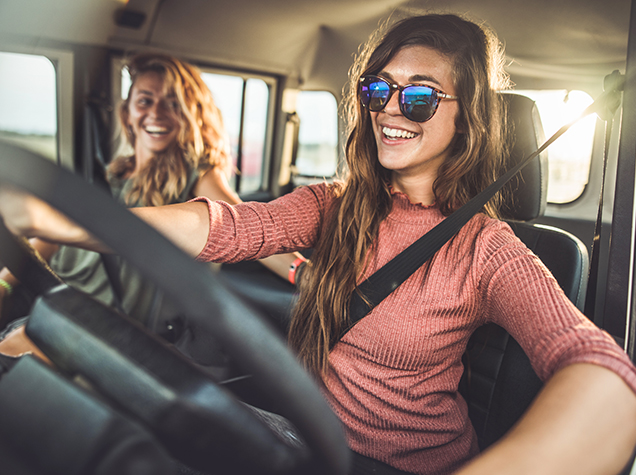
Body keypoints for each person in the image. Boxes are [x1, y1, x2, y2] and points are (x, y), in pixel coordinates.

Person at [1, 13, 636, 475]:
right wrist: (53, 213)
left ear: (465, 116)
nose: (390, 107)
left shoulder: (486, 248)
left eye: (419, 96)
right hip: (303, 435)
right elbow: (222, 226)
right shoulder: (335, 204)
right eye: (377, 87)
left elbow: (600, 368)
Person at [0, 53, 303, 339]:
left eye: (172, 104)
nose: (156, 114)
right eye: (145, 101)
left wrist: (303, 273)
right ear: (128, 113)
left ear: (189, 114)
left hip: (111, 329)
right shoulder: (108, 175)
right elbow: (50, 237)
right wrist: (5, 284)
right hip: (61, 303)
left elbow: (249, 228)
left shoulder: (196, 176)